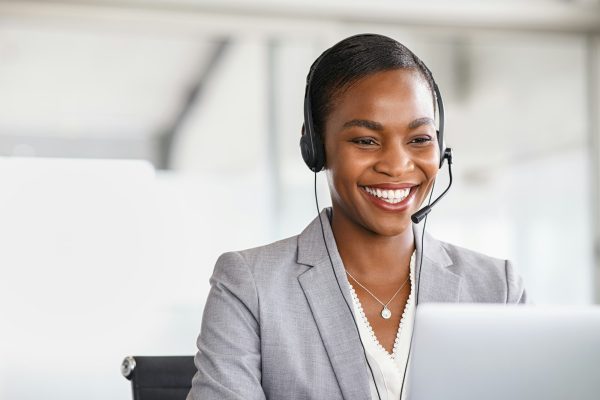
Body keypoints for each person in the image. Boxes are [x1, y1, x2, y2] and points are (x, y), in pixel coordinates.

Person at [187, 33, 527, 400]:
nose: (397, 166)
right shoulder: (250, 286)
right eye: (366, 140)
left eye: (419, 139)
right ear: (315, 148)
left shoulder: (497, 288)